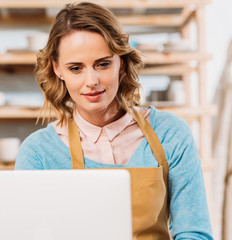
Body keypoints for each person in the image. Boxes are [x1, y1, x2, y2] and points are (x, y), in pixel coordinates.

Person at [15, 2, 213, 239]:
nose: (92, 81)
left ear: (122, 63)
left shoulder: (170, 133)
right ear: (58, 69)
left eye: (103, 64)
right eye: (76, 68)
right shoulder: (38, 153)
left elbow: (194, 232)